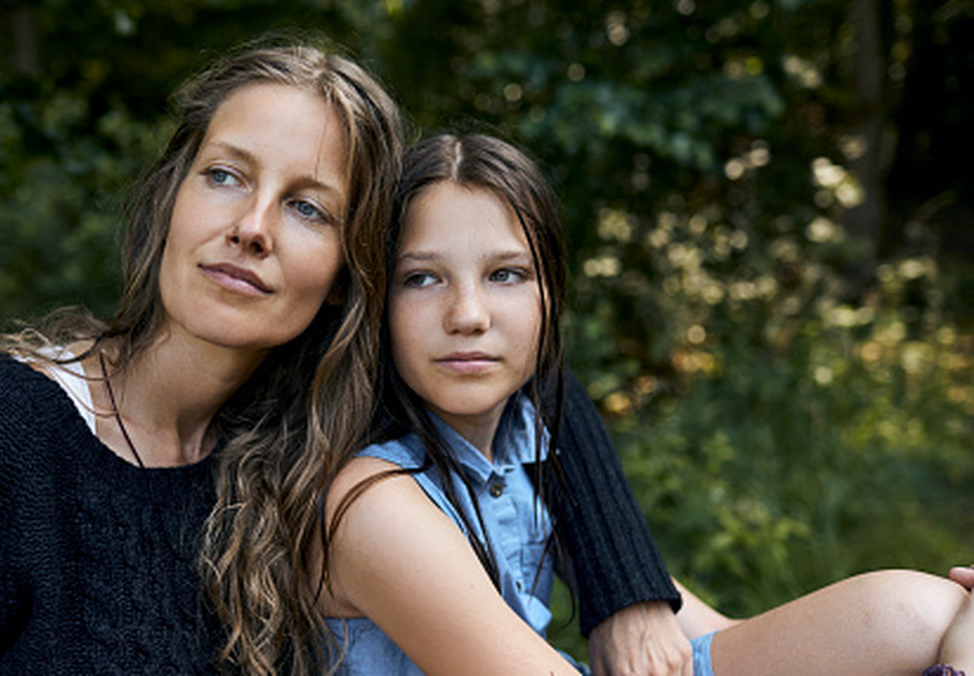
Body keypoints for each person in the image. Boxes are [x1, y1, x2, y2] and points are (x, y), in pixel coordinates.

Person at [0, 42, 405, 675]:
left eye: (306, 208)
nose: (251, 226)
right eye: (225, 175)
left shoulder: (293, 483)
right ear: (170, 197)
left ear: (348, 276)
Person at [315, 132, 972, 676]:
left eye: (506, 274)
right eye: (421, 278)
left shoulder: (526, 451)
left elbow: (704, 642)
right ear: (375, 305)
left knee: (924, 613)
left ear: (553, 298)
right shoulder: (374, 498)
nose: (468, 315)